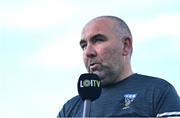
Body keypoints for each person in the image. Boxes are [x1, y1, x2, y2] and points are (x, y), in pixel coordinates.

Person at [57, 15, 180, 117]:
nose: (88, 52)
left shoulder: (157, 92)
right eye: (84, 45)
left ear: (125, 46)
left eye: (98, 40)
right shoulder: (70, 109)